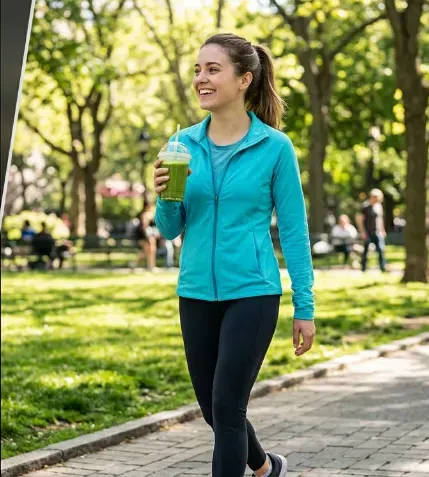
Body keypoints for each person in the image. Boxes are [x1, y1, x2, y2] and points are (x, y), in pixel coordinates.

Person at [153, 33, 315, 477]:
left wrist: (304, 306)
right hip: (195, 292)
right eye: (197, 70)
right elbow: (170, 229)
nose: (200, 79)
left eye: (213, 69)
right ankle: (265, 467)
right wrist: (164, 196)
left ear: (244, 79)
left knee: (227, 406)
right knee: (213, 409)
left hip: (253, 292)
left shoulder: (275, 147)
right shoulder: (182, 144)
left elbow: (295, 232)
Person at [356, 188, 387, 272]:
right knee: (366, 250)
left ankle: (382, 267)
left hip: (377, 231)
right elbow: (360, 220)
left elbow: (380, 219)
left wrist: (382, 230)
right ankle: (363, 268)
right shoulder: (365, 206)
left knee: (381, 249)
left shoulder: (378, 206)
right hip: (367, 232)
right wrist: (362, 232)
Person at [137, 201, 158, 270]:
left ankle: (151, 266)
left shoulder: (152, 214)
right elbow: (145, 226)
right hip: (148, 235)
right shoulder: (145, 215)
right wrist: (147, 236)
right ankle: (149, 266)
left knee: (151, 250)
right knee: (148, 251)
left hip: (152, 235)